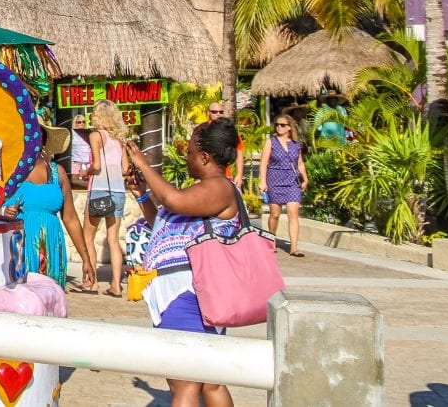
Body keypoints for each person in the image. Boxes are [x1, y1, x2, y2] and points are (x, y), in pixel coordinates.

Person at [125, 119, 244, 407]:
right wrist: (143, 195)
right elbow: (166, 227)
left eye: (190, 152)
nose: (186, 157)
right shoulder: (204, 191)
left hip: (187, 295)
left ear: (204, 157)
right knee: (209, 382)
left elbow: (173, 199)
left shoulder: (219, 188)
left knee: (186, 384)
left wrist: (143, 165)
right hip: (196, 293)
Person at [3, 121, 95, 290]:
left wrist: (86, 258)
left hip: (52, 250)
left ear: (44, 140)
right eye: (27, 133)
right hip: (20, 252)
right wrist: (4, 212)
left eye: (37, 134)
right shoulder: (10, 172)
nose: (32, 138)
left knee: (52, 300)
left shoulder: (57, 172)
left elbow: (71, 219)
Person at [83, 99, 129, 296]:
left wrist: (85, 173)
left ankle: (92, 283)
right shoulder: (120, 139)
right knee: (113, 239)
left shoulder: (96, 136)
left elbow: (96, 166)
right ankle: (116, 285)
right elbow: (125, 169)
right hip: (118, 191)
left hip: (99, 190)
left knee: (87, 237)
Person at [259, 114, 308, 257]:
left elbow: (300, 163)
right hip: (275, 179)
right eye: (277, 125)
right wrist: (263, 181)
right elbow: (263, 163)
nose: (279, 127)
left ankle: (294, 247)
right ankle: (271, 240)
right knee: (275, 214)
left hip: (292, 180)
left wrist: (305, 179)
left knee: (293, 213)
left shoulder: (295, 144)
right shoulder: (271, 142)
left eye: (282, 125)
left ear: (289, 127)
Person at [205, 101, 245, 180]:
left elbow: (239, 152)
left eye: (221, 112)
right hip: (205, 176)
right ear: (208, 112)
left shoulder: (229, 130)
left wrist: (239, 175)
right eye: (214, 112)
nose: (218, 114)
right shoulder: (202, 130)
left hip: (225, 176)